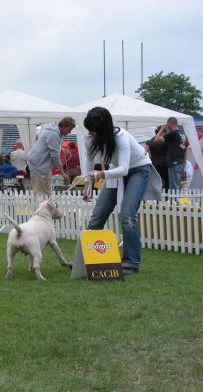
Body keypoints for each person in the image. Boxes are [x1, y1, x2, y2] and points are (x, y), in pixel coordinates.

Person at [81, 107, 153, 275]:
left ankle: (131, 261)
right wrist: (87, 184)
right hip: (114, 171)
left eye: (93, 131)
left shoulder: (121, 137)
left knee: (127, 214)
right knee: (99, 213)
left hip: (138, 170)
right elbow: (89, 159)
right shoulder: (89, 139)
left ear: (102, 130)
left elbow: (124, 169)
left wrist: (101, 174)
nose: (90, 134)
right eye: (89, 130)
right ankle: (88, 257)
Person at [26, 117, 74, 197]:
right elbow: (55, 156)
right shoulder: (54, 134)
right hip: (38, 165)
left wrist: (61, 149)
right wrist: (63, 173)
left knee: (47, 192)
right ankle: (42, 209)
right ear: (63, 126)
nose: (69, 132)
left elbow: (48, 145)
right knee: (40, 193)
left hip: (43, 166)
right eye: (69, 129)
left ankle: (47, 208)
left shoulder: (55, 133)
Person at [154, 117, 184, 191]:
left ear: (169, 125)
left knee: (173, 188)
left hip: (174, 163)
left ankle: (174, 202)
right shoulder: (182, 135)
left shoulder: (173, 134)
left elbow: (156, 139)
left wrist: (162, 129)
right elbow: (186, 152)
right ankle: (177, 201)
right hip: (181, 162)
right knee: (178, 186)